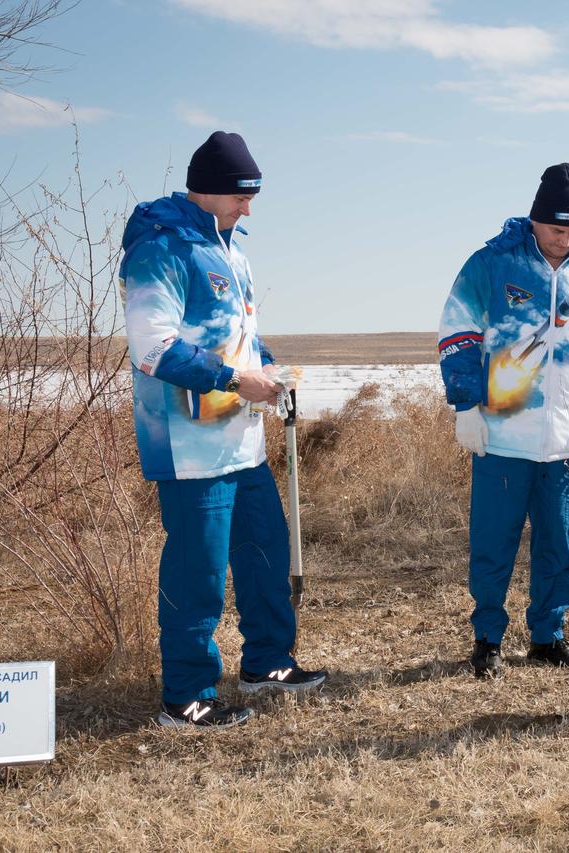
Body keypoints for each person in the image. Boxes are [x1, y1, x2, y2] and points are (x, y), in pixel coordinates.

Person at [120, 131, 327, 728]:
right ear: (207, 189)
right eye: (241, 196)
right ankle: (186, 695)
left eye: (253, 196)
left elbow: (240, 339)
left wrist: (268, 372)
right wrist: (238, 383)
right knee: (198, 570)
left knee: (264, 552)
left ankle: (267, 663)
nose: (248, 207)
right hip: (188, 448)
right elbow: (153, 349)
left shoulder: (233, 254)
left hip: (243, 441)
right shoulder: (160, 250)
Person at [438, 163, 569, 679]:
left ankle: (548, 636)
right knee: (493, 544)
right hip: (500, 435)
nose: (566, 240)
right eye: (556, 230)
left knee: (558, 546)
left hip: (565, 439)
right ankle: (487, 639)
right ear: (535, 219)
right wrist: (465, 404)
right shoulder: (491, 263)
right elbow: (457, 333)